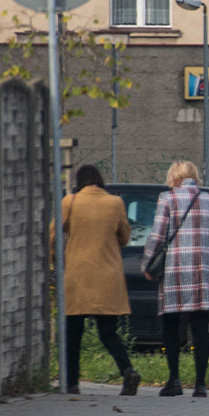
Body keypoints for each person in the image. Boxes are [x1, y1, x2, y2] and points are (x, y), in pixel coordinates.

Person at [141, 160, 209, 397]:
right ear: (195, 177)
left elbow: (157, 235)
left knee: (171, 325)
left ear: (173, 178)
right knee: (200, 328)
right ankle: (201, 385)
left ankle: (174, 381)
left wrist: (147, 263)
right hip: (206, 273)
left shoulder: (167, 199)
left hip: (176, 272)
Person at [60, 164, 138, 395]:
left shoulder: (70, 202)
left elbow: (54, 233)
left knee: (73, 331)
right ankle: (128, 370)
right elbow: (124, 236)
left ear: (80, 181)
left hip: (78, 275)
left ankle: (71, 382)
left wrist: (57, 258)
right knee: (108, 332)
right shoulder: (115, 203)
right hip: (107, 276)